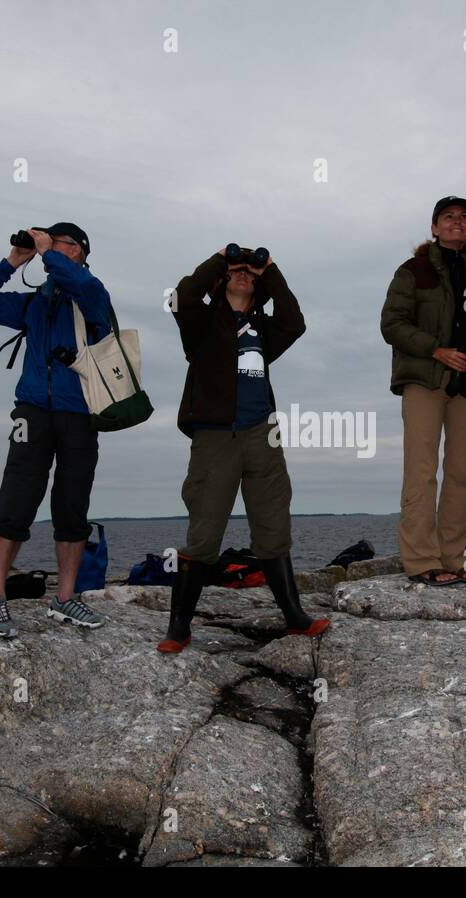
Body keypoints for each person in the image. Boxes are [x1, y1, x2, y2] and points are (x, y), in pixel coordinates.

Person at [160, 245, 329, 654]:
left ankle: (294, 617)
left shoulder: (265, 329)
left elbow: (295, 321)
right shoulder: (200, 322)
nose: (243, 275)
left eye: (250, 275)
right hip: (215, 436)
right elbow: (182, 295)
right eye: (237, 272)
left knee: (273, 524)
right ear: (221, 280)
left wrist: (269, 270)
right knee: (204, 532)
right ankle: (179, 628)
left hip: (263, 433)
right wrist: (221, 259)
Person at [0, 223, 111, 637]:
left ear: (79, 251)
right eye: (47, 243)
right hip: (32, 409)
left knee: (71, 500)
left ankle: (65, 598)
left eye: (59, 243)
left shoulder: (92, 294)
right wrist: (14, 260)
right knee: (16, 496)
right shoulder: (34, 304)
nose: (48, 248)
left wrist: (48, 253)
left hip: (80, 411)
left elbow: (81, 285)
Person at [380, 196, 466, 587]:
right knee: (422, 471)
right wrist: (436, 349)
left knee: (463, 474)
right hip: (425, 380)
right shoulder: (413, 270)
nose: (458, 222)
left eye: (464, 217)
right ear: (434, 227)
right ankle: (420, 561)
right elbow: (391, 325)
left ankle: (452, 558)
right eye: (449, 217)